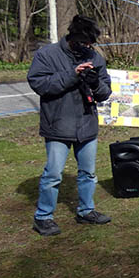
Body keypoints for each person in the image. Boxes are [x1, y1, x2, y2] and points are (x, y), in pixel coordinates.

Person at [27, 15, 113, 237]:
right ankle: (43, 217)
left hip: (87, 124)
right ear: (72, 38)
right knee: (53, 174)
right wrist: (72, 75)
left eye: (91, 44)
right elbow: (39, 84)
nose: (88, 47)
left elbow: (105, 92)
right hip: (58, 124)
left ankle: (86, 211)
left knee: (88, 173)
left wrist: (95, 82)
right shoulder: (48, 54)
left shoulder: (95, 57)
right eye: (84, 43)